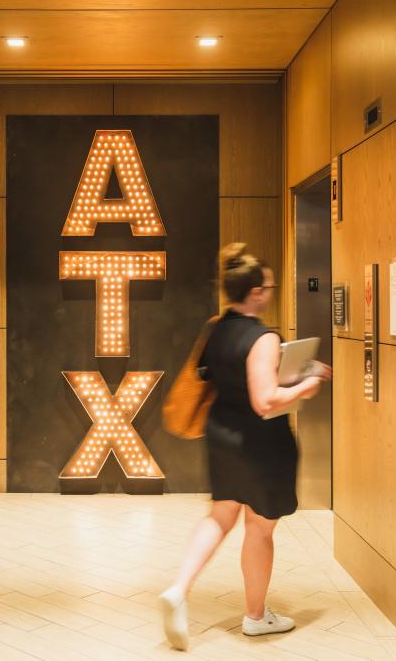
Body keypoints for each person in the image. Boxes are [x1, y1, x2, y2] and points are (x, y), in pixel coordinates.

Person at [159, 242, 332, 650]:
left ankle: (179, 589)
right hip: (260, 443)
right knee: (259, 529)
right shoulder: (263, 338)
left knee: (220, 515)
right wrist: (308, 384)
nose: (270, 293)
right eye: (268, 287)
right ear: (255, 292)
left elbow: (228, 377)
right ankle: (256, 617)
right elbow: (265, 400)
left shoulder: (216, 327)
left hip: (221, 433)